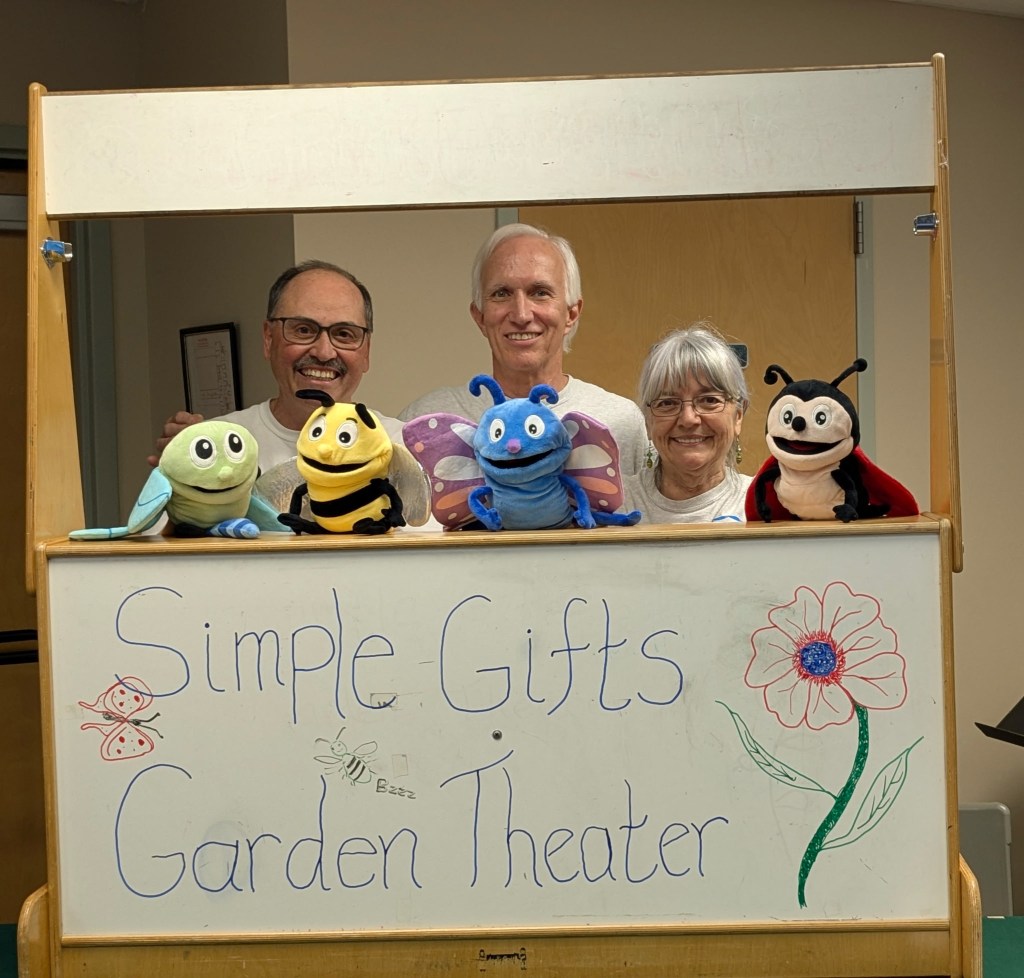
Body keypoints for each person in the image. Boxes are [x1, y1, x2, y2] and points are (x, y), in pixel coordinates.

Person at [398, 223, 647, 475]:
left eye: (540, 293)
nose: (521, 314)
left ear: (571, 314)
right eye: (502, 293)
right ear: (480, 317)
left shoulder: (620, 423)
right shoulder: (424, 421)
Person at [148, 260, 400, 471]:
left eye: (344, 334)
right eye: (303, 330)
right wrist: (182, 481)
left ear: (366, 351)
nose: (324, 352)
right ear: (269, 339)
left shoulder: (403, 449)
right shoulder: (219, 448)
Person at [626, 324, 751, 523]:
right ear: (648, 421)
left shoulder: (765, 505)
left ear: (738, 415)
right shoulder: (614, 506)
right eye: (667, 403)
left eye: (709, 400)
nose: (688, 419)